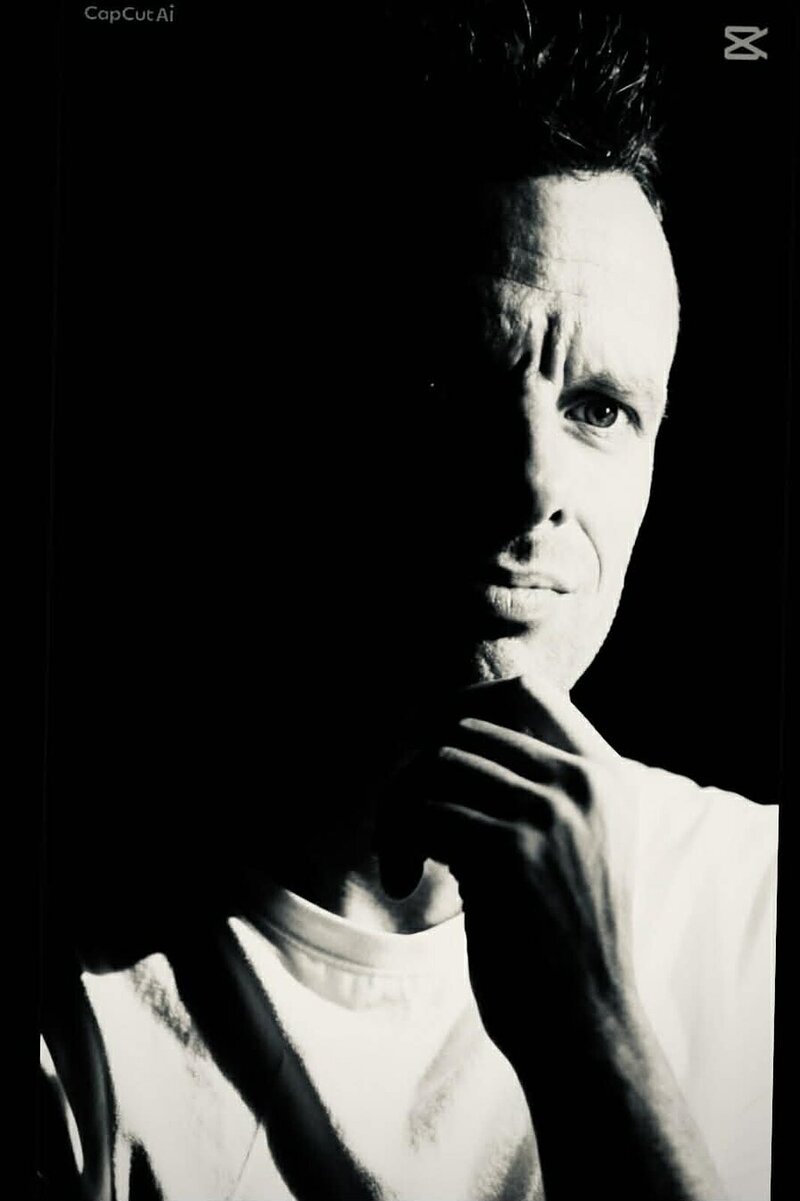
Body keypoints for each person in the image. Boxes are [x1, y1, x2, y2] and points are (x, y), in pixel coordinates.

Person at [39, 6, 778, 1200]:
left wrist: (593, 1037)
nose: (533, 484)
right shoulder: (85, 997)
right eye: (454, 386)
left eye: (598, 408)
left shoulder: (758, 909)